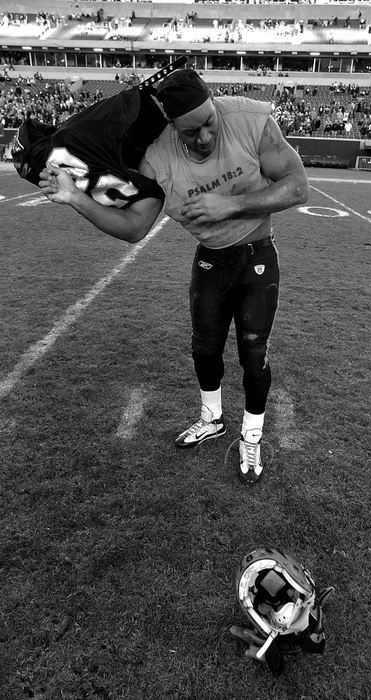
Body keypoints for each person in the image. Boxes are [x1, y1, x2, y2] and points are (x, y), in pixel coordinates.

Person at [39, 68, 309, 485]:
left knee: (254, 355)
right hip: (211, 259)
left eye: (208, 123)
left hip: (257, 254)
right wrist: (75, 198)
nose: (203, 137)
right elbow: (133, 227)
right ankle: (211, 418)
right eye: (190, 131)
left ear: (216, 105)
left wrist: (229, 205)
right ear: (170, 124)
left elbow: (297, 187)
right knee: (204, 350)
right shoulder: (157, 155)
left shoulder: (250, 119)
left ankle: (251, 437)